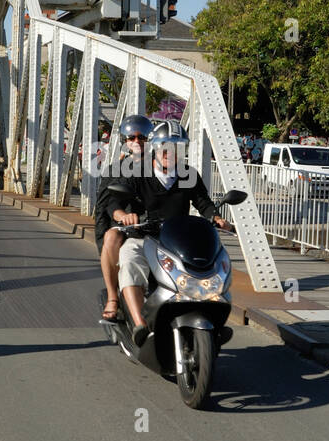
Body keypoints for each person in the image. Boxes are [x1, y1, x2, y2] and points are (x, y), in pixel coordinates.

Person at [105, 121, 232, 347]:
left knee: (209, 267)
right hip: (143, 237)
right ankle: (139, 323)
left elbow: (202, 201)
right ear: (154, 147)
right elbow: (115, 202)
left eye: (176, 147)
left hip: (176, 240)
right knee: (130, 261)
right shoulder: (137, 172)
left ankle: (213, 320)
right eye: (164, 146)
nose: (169, 152)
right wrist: (122, 215)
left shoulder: (187, 174)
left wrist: (215, 216)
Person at [95, 115, 150, 322]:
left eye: (142, 137)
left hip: (157, 224)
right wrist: (123, 216)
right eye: (131, 138)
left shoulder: (162, 166)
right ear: (125, 142)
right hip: (128, 225)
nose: (136, 141)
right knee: (112, 237)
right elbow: (109, 203)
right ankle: (112, 297)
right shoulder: (116, 170)